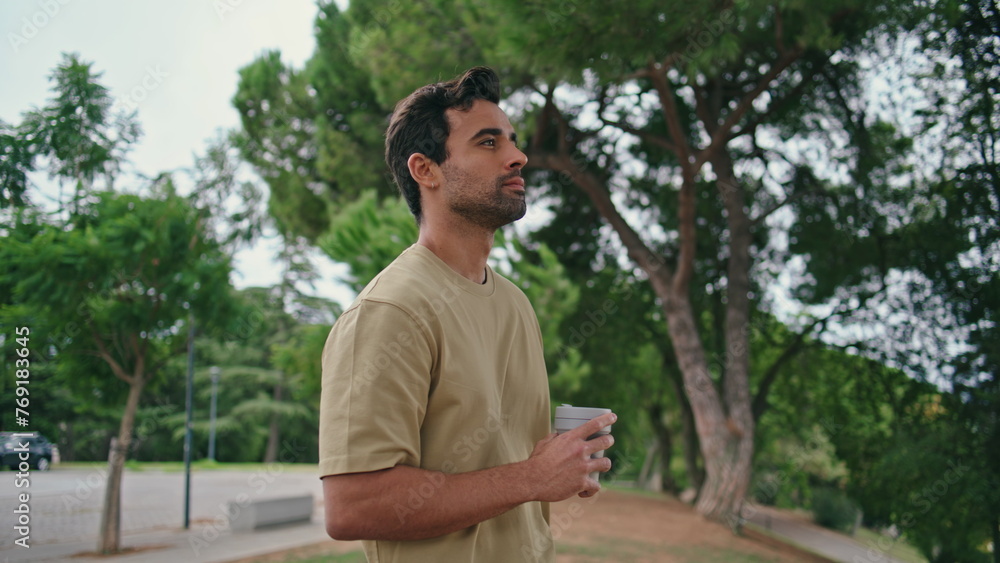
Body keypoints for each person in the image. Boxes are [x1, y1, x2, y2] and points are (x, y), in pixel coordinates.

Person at [318, 66, 617, 563]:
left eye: (513, 141)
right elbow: (352, 506)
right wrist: (531, 477)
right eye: (487, 142)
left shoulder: (517, 305)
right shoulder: (390, 311)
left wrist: (562, 465)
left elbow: (505, 462)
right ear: (426, 170)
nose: (518, 156)